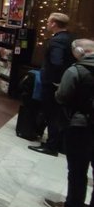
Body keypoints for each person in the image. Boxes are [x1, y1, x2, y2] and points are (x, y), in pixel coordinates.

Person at [44, 39, 94, 207]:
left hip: (79, 123)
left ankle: (73, 206)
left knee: (78, 168)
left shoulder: (76, 71)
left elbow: (62, 95)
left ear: (79, 51)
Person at [29, 12, 75, 156]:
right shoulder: (71, 38)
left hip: (53, 84)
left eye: (48, 22)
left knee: (51, 114)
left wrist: (56, 81)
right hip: (65, 83)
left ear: (54, 23)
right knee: (57, 114)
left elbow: (56, 62)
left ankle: (51, 146)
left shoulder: (57, 41)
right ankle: (56, 143)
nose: (47, 24)